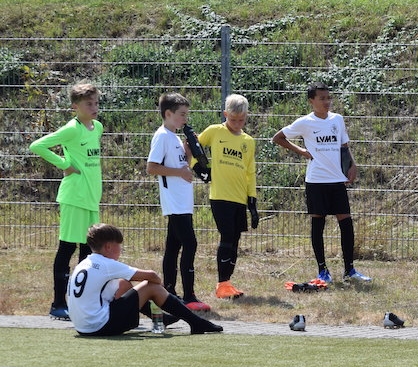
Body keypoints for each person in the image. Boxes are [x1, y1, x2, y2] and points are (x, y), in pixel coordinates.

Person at [272, 83, 371, 285]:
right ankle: (322, 271)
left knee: (346, 222)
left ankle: (349, 270)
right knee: (318, 224)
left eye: (328, 98)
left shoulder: (337, 119)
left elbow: (344, 145)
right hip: (316, 181)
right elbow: (278, 138)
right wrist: (301, 151)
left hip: (337, 180)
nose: (327, 102)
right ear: (312, 101)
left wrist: (352, 164)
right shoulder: (305, 122)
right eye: (322, 98)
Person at [29, 81, 104, 321]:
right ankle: (58, 304)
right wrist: (65, 164)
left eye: (96, 103)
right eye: (89, 104)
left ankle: (79, 303)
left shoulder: (98, 127)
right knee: (67, 248)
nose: (94, 108)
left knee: (88, 251)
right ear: (75, 107)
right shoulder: (72, 129)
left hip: (91, 198)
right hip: (74, 197)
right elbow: (37, 145)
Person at [66, 223, 222, 336]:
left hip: (81, 327)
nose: (120, 250)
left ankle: (162, 319)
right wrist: (160, 288)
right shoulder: (106, 264)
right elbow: (152, 276)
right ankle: (196, 323)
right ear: (108, 247)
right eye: (118, 245)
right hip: (100, 326)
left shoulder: (84, 263)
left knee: (124, 283)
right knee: (151, 286)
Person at [146, 93, 210, 313]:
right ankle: (189, 296)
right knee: (190, 244)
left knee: (173, 247)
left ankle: (169, 294)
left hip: (183, 201)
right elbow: (152, 167)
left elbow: (182, 167)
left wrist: (189, 153)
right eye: (182, 114)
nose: (185, 118)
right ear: (168, 114)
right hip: (174, 201)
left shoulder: (174, 137)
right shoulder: (162, 136)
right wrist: (180, 173)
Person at [197, 94, 258, 299]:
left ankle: (227, 282)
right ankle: (221, 284)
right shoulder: (215, 131)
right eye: (233, 119)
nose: (237, 123)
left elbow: (250, 172)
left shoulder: (248, 141)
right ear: (225, 114)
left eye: (241, 120)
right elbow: (191, 146)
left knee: (235, 239)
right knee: (227, 236)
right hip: (220, 196)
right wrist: (198, 168)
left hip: (239, 198)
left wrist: (252, 201)